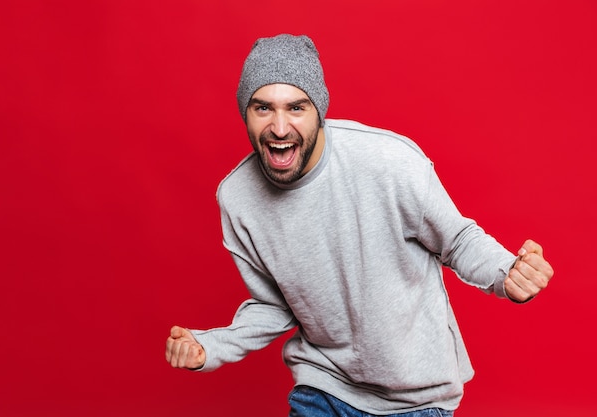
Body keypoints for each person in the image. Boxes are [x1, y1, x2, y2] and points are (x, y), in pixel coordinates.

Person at [165, 34, 554, 416]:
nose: (280, 129)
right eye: (263, 108)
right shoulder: (238, 198)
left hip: (416, 398)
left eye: (296, 108)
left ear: (319, 110)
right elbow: (274, 304)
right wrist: (212, 346)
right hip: (322, 384)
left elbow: (457, 240)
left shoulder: (388, 161)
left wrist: (507, 273)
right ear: (244, 113)